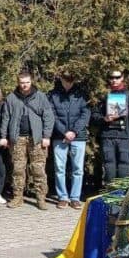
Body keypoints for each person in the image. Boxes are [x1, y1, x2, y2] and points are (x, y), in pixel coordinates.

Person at [1, 70, 55, 210]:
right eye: (22, 83)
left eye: (27, 82)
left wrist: (46, 136)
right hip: (17, 139)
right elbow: (5, 118)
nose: (24, 85)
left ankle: (41, 198)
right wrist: (3, 136)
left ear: (31, 82)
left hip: (36, 139)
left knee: (38, 169)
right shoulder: (11, 98)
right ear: (18, 83)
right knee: (18, 169)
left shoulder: (40, 97)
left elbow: (48, 116)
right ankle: (17, 197)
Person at [49, 72, 90, 209]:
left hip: (78, 136)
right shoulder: (53, 95)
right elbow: (52, 115)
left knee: (78, 169)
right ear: (60, 78)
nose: (68, 82)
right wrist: (64, 132)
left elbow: (85, 114)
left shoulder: (82, 94)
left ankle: (75, 198)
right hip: (59, 136)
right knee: (59, 168)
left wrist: (74, 131)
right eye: (66, 79)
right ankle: (62, 197)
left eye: (71, 79)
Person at [92, 70, 129, 181]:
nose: (114, 80)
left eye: (117, 77)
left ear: (122, 78)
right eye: (111, 77)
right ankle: (111, 194)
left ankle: (121, 195)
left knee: (125, 164)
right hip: (108, 136)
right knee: (109, 165)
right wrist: (104, 119)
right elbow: (94, 114)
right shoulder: (103, 96)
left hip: (125, 136)